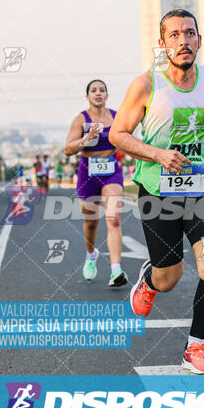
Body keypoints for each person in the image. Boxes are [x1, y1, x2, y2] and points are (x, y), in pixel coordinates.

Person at [109, 9, 204, 374]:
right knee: (170, 278)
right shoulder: (146, 85)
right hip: (157, 191)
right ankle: (150, 279)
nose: (184, 41)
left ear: (199, 40)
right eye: (175, 35)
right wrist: (157, 155)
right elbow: (117, 134)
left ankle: (195, 347)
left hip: (202, 187)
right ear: (163, 43)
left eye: (190, 34)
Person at [64, 79, 127, 287]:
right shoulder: (80, 119)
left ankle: (116, 270)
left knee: (114, 219)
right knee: (91, 222)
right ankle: (91, 255)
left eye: (102, 90)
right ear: (87, 96)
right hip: (87, 171)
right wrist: (86, 138)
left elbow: (128, 140)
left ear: (107, 95)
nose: (98, 93)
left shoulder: (117, 117)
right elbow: (68, 149)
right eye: (93, 90)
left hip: (111, 171)